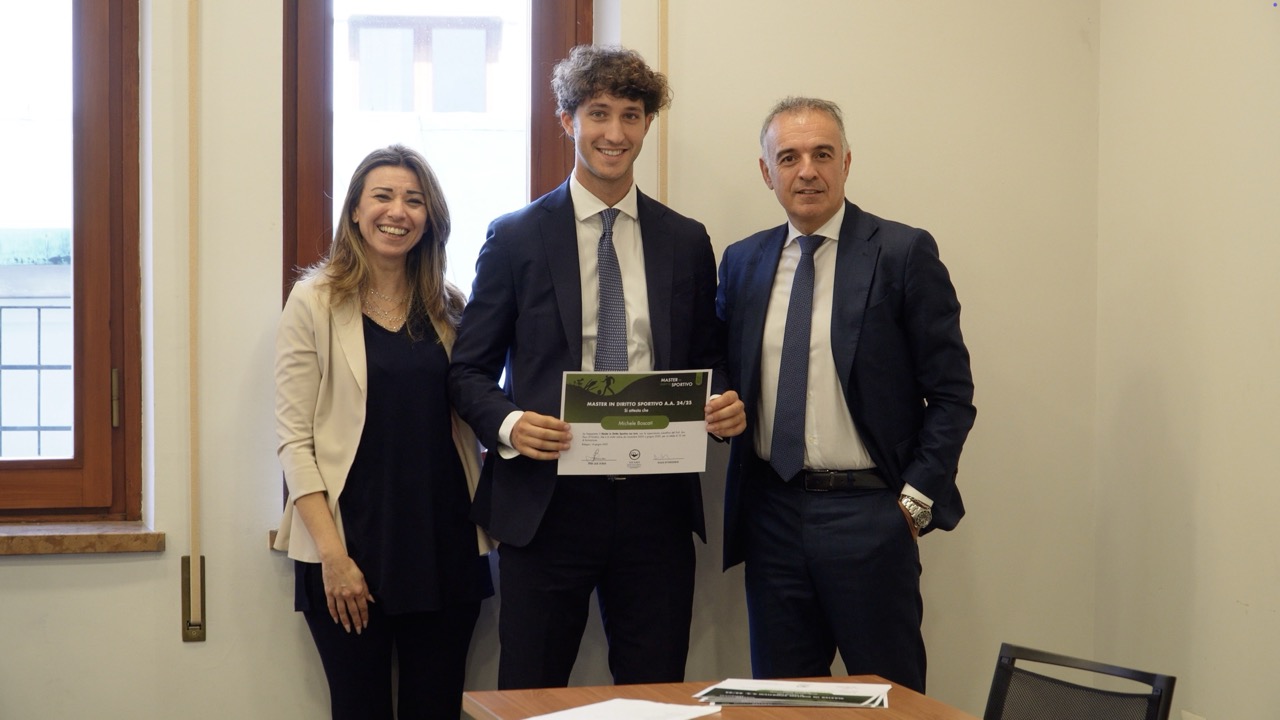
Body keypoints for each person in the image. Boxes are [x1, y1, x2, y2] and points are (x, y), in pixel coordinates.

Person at [448, 45, 746, 690]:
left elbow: (708, 359)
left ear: (648, 124)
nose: (615, 132)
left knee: (654, 691)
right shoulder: (515, 237)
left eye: (631, 115)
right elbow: (468, 370)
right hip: (546, 501)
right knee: (531, 691)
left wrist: (722, 402)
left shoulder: (685, 239)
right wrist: (510, 425)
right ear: (568, 120)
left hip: (656, 505)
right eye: (599, 113)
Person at [716, 97, 976, 693]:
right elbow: (722, 366)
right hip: (772, 514)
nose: (807, 171)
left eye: (822, 154)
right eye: (789, 157)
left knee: (889, 698)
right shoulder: (743, 261)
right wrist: (722, 402)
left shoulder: (903, 253)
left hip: (870, 515)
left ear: (847, 163)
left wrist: (913, 505)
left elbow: (952, 395)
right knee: (782, 700)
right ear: (766, 172)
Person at [273, 145, 493, 719]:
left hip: (445, 544)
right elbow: (294, 441)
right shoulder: (314, 300)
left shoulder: (450, 307)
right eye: (383, 196)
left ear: (430, 218)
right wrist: (333, 557)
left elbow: (477, 412)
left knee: (436, 710)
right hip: (350, 546)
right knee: (359, 709)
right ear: (354, 210)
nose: (398, 211)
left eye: (414, 200)